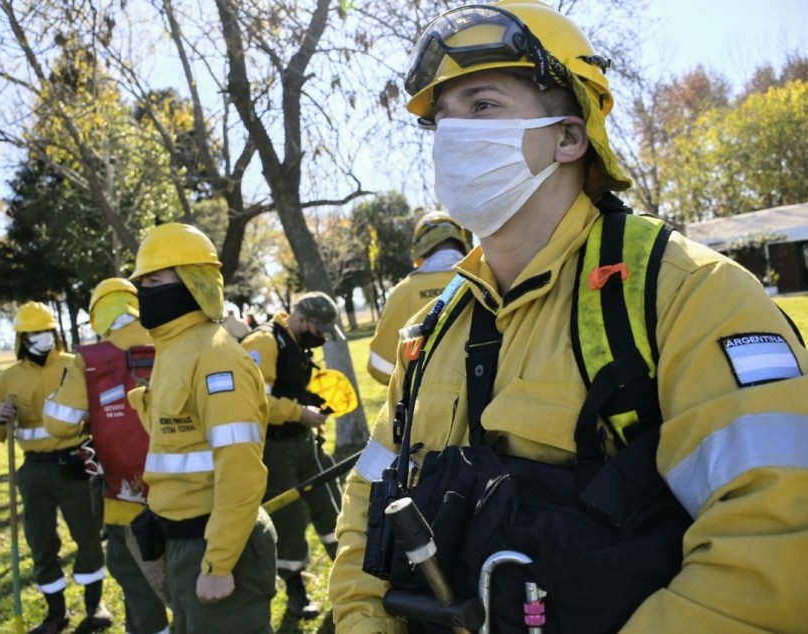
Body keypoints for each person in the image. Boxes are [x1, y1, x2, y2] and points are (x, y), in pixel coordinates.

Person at [330, 2, 808, 633]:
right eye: (440, 120)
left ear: (569, 135)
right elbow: (370, 508)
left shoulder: (692, 295)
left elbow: (774, 541)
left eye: (482, 106)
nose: (452, 135)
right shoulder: (432, 331)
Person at [126, 222, 277, 633]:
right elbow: (179, 439)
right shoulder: (173, 348)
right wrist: (145, 404)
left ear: (193, 280)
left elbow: (239, 466)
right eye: (141, 283)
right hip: (181, 545)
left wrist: (219, 562)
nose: (143, 292)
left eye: (154, 280)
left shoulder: (216, 357)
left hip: (216, 544)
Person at [43, 278, 170, 634]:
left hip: (126, 500)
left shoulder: (90, 361)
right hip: (188, 496)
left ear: (98, 317)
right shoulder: (173, 341)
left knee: (136, 579)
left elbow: (58, 424)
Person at [0, 301, 112, 634]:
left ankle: (95, 607)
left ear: (55, 333)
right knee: (41, 542)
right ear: (22, 338)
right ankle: (56, 613)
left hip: (75, 464)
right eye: (34, 333)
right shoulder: (8, 379)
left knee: (88, 536)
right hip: (34, 471)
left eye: (47, 332)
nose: (43, 338)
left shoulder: (74, 365)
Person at [241, 291, 345, 619]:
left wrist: (313, 410)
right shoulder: (263, 343)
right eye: (318, 330)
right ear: (301, 320)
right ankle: (296, 593)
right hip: (274, 449)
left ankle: (351, 580)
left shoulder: (296, 343)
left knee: (330, 510)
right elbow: (256, 403)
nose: (321, 339)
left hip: (304, 442)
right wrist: (299, 413)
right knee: (288, 520)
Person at [367, 211, 469, 385]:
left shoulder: (404, 291)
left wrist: (411, 384)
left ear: (419, 249)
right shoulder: (489, 279)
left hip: (424, 408)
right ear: (461, 242)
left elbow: (379, 365)